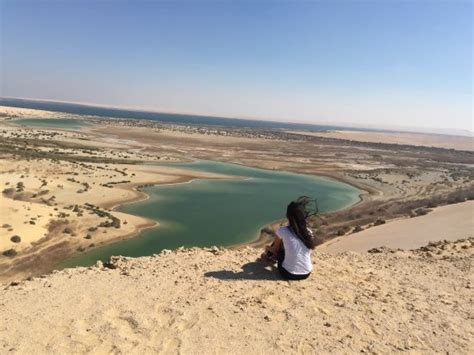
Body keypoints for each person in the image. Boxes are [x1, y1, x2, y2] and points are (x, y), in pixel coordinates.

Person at [260, 197, 319, 280]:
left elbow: (275, 250)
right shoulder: (308, 232)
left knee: (279, 246)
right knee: (285, 247)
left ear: (288, 216)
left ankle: (268, 257)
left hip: (288, 273)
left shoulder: (283, 231)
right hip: (306, 273)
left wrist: (267, 248)